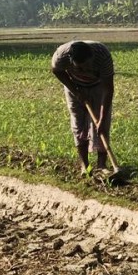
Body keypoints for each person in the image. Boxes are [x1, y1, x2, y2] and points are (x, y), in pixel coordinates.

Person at [51, 40, 115, 176]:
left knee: (102, 125)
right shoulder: (61, 55)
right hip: (74, 86)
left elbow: (108, 89)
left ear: (92, 57)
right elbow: (56, 71)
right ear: (71, 61)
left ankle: (102, 165)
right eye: (80, 68)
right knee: (78, 124)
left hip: (98, 86)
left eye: (87, 66)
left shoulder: (103, 56)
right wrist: (75, 91)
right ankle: (84, 165)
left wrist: (102, 119)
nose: (85, 71)